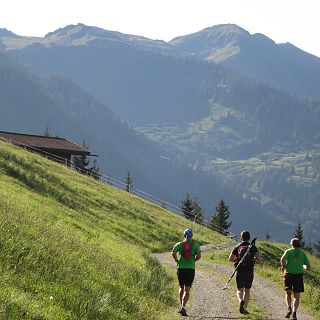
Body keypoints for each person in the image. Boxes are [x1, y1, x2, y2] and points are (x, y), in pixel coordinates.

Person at [228, 230, 261, 315]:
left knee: (239, 290)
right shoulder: (253, 247)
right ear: (249, 238)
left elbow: (230, 259)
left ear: (241, 237)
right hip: (249, 271)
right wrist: (253, 260)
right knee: (247, 290)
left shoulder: (238, 246)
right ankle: (245, 308)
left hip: (240, 270)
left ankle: (240, 301)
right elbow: (259, 260)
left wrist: (237, 259)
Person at [172, 229, 201, 317]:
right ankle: (183, 307)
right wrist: (194, 260)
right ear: (192, 236)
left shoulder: (179, 244)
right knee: (187, 289)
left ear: (184, 235)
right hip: (190, 268)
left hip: (181, 268)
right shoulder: (195, 245)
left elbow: (173, 253)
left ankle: (181, 305)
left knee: (181, 286)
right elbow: (199, 256)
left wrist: (177, 260)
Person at [280, 238, 311, 320]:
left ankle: (289, 308)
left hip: (288, 275)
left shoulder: (288, 251)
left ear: (292, 244)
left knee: (288, 293)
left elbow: (282, 259)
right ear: (299, 244)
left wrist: (283, 267)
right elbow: (308, 267)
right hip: (298, 276)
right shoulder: (302, 253)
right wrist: (303, 267)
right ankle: (294, 313)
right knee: (297, 296)